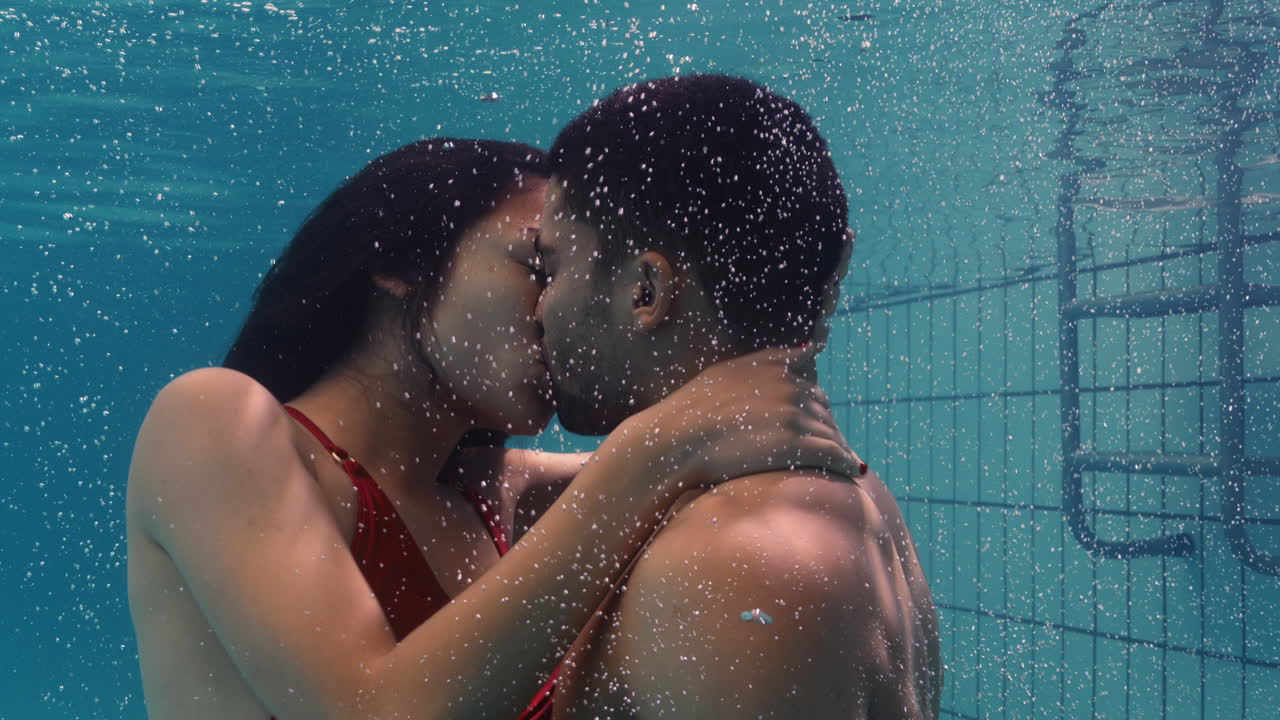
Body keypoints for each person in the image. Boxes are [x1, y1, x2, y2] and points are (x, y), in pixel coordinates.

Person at [125, 138, 861, 720]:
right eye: (541, 265)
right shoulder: (214, 421)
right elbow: (370, 710)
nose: (561, 312)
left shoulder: (504, 494)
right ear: (400, 264)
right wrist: (654, 447)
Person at [535, 75, 942, 719]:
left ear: (646, 290)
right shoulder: (858, 497)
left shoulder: (733, 559)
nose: (538, 309)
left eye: (551, 267)